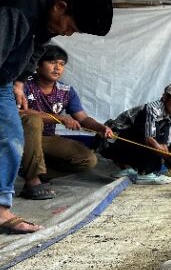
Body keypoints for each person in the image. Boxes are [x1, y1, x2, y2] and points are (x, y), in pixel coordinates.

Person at [0, 0, 113, 253]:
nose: (69, 34)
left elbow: (37, 46)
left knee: (11, 135)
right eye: (71, 27)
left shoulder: (46, 12)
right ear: (61, 6)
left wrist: (18, 80)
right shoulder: (15, 9)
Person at [18, 44, 114, 200]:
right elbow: (19, 112)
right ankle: (32, 182)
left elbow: (82, 118)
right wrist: (60, 118)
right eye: (52, 62)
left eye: (61, 64)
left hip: (45, 139)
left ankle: (38, 174)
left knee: (87, 160)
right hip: (19, 137)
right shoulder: (23, 84)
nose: (57, 68)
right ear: (38, 64)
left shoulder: (66, 91)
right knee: (34, 120)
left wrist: (100, 127)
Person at [103, 83, 171, 184]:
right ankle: (145, 174)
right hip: (110, 142)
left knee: (160, 145)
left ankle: (133, 169)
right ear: (165, 97)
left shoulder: (168, 117)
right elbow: (150, 140)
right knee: (152, 138)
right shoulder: (153, 109)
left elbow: (164, 145)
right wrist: (170, 159)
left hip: (126, 145)